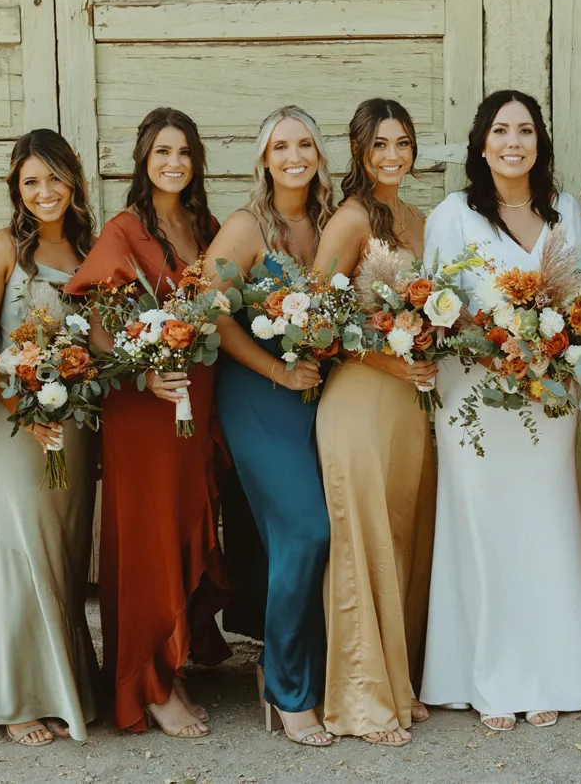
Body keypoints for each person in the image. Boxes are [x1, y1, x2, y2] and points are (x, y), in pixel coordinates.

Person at [419, 89, 581, 731]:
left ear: (540, 142)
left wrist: (552, 346)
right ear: (482, 144)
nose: (514, 142)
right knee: (482, 527)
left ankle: (553, 670)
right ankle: (489, 674)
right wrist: (490, 342)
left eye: (526, 131)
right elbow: (434, 307)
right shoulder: (453, 214)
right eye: (502, 131)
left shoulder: (565, 210)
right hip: (474, 399)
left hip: (548, 395)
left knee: (545, 522)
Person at [62, 108, 226, 737]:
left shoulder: (207, 226)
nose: (174, 162)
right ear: (143, 159)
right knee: (150, 539)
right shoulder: (125, 228)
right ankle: (147, 687)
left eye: (184, 151)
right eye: (162, 151)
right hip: (147, 412)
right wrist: (143, 373)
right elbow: (98, 324)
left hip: (198, 405)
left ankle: (173, 665)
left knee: (184, 527)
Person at [205, 105, 338, 747]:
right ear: (263, 158)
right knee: (306, 532)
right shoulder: (245, 226)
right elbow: (214, 313)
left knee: (321, 536)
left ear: (319, 153)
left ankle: (299, 671)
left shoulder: (330, 222)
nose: (294, 155)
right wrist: (279, 374)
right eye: (281, 145)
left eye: (305, 143)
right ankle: (288, 690)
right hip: (258, 396)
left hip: (320, 397)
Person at [0, 129, 99, 745]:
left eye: (55, 179)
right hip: (10, 421)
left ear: (74, 181)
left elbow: (99, 340)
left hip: (72, 424)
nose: (45, 193)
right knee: (18, 550)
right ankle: (17, 698)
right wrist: (20, 401)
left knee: (63, 556)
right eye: (31, 182)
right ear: (17, 190)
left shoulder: (89, 250)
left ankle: (62, 685)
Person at [311, 99, 438, 745]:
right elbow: (316, 318)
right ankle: (361, 699)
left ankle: (399, 681)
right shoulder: (351, 218)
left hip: (411, 403)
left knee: (403, 539)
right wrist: (389, 361)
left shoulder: (418, 218)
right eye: (380, 145)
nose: (392, 155)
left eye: (403, 143)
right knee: (361, 544)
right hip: (362, 395)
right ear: (360, 152)